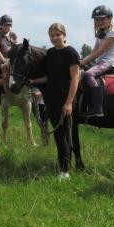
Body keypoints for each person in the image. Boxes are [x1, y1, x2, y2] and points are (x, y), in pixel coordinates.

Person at [28, 23, 80, 180]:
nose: (55, 38)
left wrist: (69, 102)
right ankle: (63, 166)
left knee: (62, 134)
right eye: (52, 35)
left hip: (66, 98)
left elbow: (75, 78)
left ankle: (64, 171)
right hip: (52, 99)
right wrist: (33, 81)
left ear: (64, 35)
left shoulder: (71, 52)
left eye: (58, 34)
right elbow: (48, 77)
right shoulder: (50, 53)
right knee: (58, 134)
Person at [79, 5, 114, 117]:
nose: (100, 21)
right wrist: (80, 61)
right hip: (100, 62)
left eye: (103, 18)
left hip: (109, 62)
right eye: (97, 19)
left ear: (109, 18)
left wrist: (83, 62)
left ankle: (97, 108)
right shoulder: (101, 33)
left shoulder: (113, 32)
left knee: (89, 74)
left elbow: (101, 51)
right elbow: (94, 51)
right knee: (81, 72)